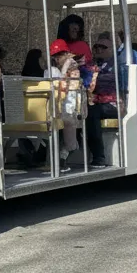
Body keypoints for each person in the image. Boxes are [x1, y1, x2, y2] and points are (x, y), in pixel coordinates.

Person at [48, 38, 84, 172]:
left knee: (69, 131)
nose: (57, 59)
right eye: (55, 56)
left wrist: (65, 70)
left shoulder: (73, 70)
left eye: (59, 56)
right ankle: (60, 157)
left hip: (69, 106)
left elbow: (70, 91)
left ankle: (64, 157)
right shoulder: (54, 69)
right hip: (57, 105)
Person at [85, 32, 120, 167]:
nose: (98, 50)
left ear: (111, 50)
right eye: (96, 47)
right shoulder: (93, 65)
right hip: (96, 101)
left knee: (92, 112)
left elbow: (107, 81)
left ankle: (99, 156)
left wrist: (95, 77)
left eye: (103, 47)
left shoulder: (116, 65)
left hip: (114, 104)